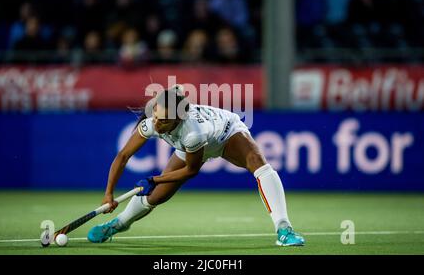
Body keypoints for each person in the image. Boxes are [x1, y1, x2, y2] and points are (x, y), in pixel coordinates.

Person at [87, 85, 305, 247]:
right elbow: (123, 156)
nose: (156, 123)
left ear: (177, 120)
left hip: (225, 133)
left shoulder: (192, 132)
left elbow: (191, 171)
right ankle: (117, 224)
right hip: (188, 146)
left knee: (259, 164)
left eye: (163, 121)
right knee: (157, 196)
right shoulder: (153, 123)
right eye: (155, 117)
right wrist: (108, 193)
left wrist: (154, 179)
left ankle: (284, 229)